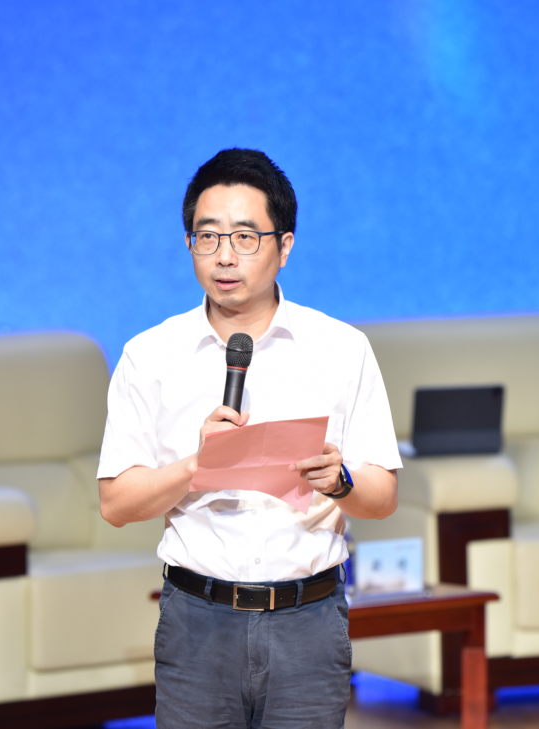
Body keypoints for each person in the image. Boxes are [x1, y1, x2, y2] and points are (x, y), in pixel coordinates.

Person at [98, 148, 401, 728]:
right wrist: (197, 466)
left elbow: (382, 496)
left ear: (284, 246)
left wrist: (340, 481)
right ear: (189, 243)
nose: (224, 256)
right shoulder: (149, 355)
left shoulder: (341, 348)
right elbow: (115, 504)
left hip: (308, 622)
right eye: (207, 237)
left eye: (245, 237)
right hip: (197, 621)